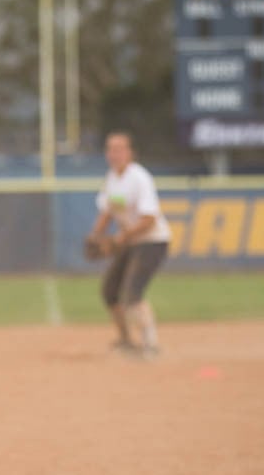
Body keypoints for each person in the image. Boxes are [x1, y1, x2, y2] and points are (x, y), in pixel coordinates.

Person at [87, 131, 170, 359]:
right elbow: (108, 211)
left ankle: (150, 345)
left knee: (132, 293)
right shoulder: (112, 178)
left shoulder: (139, 178)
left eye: (119, 149)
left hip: (153, 241)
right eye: (110, 149)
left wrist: (120, 238)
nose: (114, 154)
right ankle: (126, 341)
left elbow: (149, 218)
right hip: (131, 241)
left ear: (130, 153)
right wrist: (96, 234)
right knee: (110, 292)